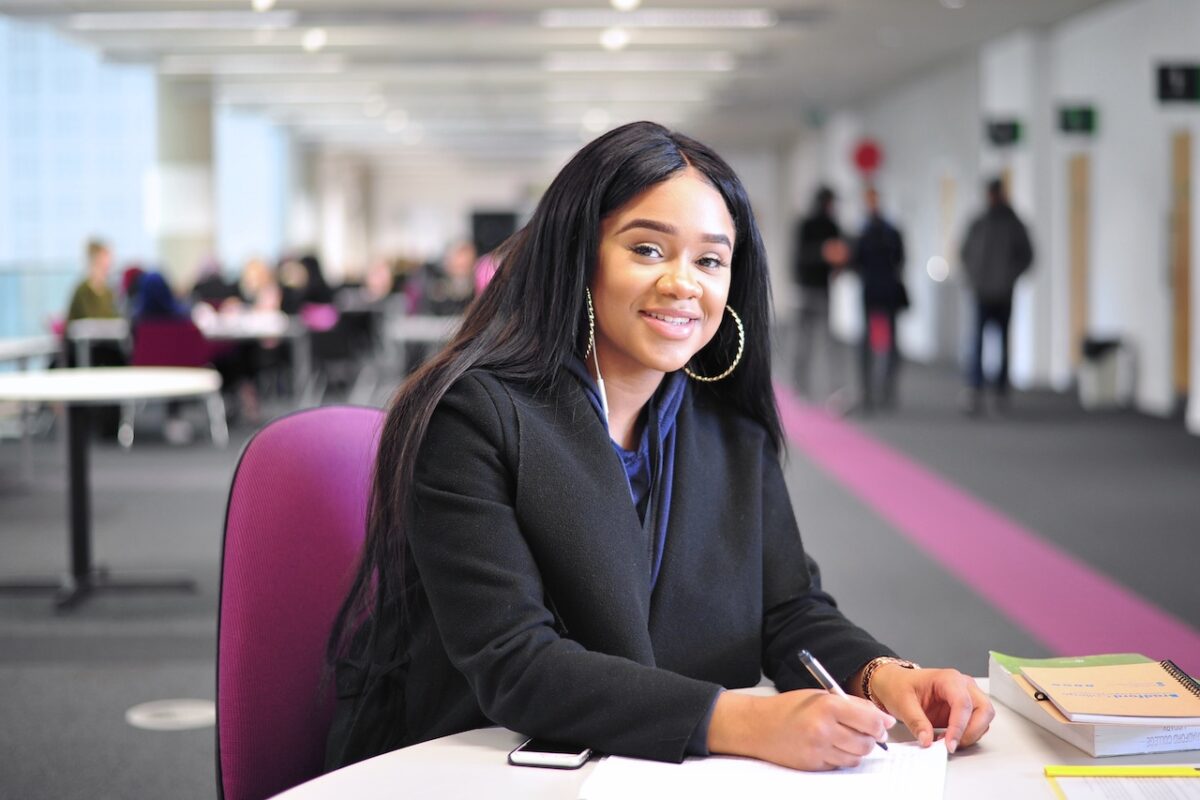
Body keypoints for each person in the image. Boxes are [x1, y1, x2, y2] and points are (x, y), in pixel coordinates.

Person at [324, 121, 992, 774]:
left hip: (658, 771)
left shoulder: (728, 426)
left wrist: (882, 675)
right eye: (647, 249)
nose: (683, 284)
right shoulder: (475, 418)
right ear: (579, 256)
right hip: (488, 767)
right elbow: (516, 663)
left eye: (710, 260)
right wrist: (745, 722)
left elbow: (788, 610)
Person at [960, 178, 1033, 415]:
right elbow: (964, 252)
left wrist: (1009, 277)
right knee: (977, 342)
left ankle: (1001, 391)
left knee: (1002, 343)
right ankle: (976, 389)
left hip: (1003, 292)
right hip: (981, 292)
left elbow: (1027, 255)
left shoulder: (1013, 224)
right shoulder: (979, 223)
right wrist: (974, 278)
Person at [850, 188, 907, 413]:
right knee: (876, 343)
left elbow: (856, 262)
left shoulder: (872, 233)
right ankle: (875, 388)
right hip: (879, 291)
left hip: (878, 292)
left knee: (884, 343)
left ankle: (880, 388)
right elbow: (900, 260)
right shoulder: (883, 232)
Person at [792, 186, 850, 405]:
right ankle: (801, 386)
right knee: (807, 341)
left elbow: (841, 257)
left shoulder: (830, 226)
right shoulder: (809, 225)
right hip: (809, 290)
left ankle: (824, 389)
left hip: (818, 290)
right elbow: (800, 257)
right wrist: (823, 253)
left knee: (819, 341)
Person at [67, 238, 119, 323]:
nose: (109, 263)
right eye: (105, 258)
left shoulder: (109, 292)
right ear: (95, 260)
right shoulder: (82, 291)